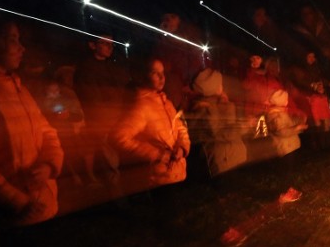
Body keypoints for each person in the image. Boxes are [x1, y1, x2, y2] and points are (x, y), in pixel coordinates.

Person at [0, 20, 64, 226]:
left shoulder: (18, 88)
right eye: (12, 40)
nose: (22, 48)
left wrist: (48, 165)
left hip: (40, 203)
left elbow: (47, 131)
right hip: (13, 216)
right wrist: (16, 201)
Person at [111, 58, 190, 189]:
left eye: (163, 72)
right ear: (144, 76)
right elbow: (120, 137)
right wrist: (158, 154)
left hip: (179, 174)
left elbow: (181, 129)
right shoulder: (141, 106)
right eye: (155, 73)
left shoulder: (167, 103)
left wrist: (182, 148)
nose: (161, 77)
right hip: (160, 179)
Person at [74, 31, 131, 185]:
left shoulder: (112, 65)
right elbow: (92, 99)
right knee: (110, 162)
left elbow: (122, 88)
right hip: (103, 122)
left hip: (118, 118)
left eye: (111, 44)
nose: (110, 47)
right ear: (92, 45)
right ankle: (117, 197)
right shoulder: (86, 70)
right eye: (105, 43)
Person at [184, 68, 247, 178]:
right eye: (220, 84)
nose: (222, 86)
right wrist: (243, 126)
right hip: (222, 162)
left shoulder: (216, 105)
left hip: (229, 158)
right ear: (214, 88)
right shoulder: (206, 110)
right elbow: (220, 134)